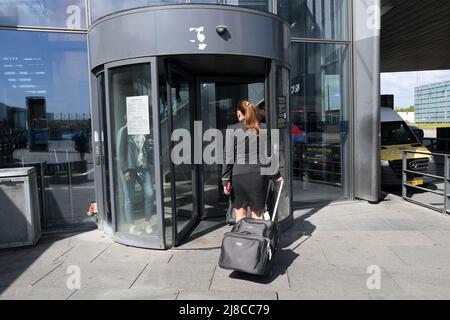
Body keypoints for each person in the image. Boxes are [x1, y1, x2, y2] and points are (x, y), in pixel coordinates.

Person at [222, 100, 283, 222]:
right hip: (258, 177)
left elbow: (228, 158)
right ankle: (256, 240)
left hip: (238, 176)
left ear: (239, 113)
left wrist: (225, 180)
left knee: (240, 216)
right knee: (257, 215)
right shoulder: (263, 128)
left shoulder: (231, 129)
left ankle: (242, 238)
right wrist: (277, 175)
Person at [117, 120, 154, 234]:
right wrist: (124, 170)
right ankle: (131, 224)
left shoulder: (145, 130)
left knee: (149, 194)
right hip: (129, 168)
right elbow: (120, 152)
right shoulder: (123, 130)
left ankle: (147, 222)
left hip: (143, 166)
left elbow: (149, 148)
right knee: (129, 198)